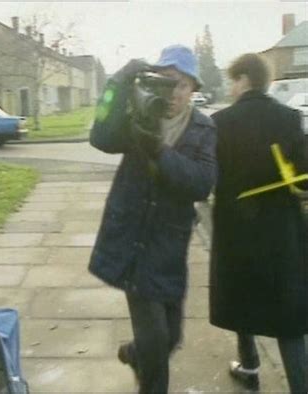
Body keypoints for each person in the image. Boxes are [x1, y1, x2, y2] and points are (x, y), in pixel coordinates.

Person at [88, 45, 217, 393]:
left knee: (171, 337)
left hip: (169, 246)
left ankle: (134, 353)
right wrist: (116, 83)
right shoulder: (138, 115)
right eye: (165, 82)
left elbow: (201, 184)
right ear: (153, 80)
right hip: (134, 241)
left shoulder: (204, 128)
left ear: (193, 89)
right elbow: (99, 135)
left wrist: (160, 152)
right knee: (157, 347)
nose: (173, 93)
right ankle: (147, 366)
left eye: (181, 85)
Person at [210, 53, 308, 393]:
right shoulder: (290, 118)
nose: (230, 88)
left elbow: (210, 179)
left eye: (231, 81)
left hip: (237, 230)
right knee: (289, 315)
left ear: (243, 80)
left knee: (242, 298)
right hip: (281, 233)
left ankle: (250, 367)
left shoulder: (220, 122)